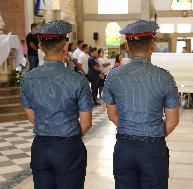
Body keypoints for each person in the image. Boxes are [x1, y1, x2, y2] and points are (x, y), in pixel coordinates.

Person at [102, 19, 180, 189]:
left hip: (124, 147)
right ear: (153, 46)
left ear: (127, 47)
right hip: (153, 148)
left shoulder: (113, 76)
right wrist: (152, 135)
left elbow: (112, 114)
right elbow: (173, 120)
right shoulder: (164, 77)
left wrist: (132, 129)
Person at [20, 20, 93, 189]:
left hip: (41, 147)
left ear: (40, 46)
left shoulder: (28, 79)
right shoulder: (78, 79)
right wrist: (70, 138)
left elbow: (31, 117)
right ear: (65, 47)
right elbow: (87, 123)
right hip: (68, 146)